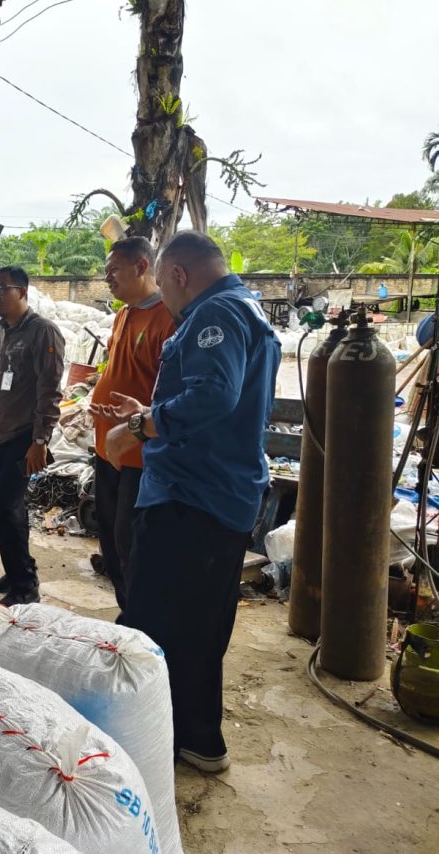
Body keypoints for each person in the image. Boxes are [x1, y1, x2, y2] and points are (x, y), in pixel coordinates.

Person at [96, 231, 280, 774]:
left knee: (154, 621)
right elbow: (217, 398)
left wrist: (139, 426)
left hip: (191, 497)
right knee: (200, 621)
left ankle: (155, 739)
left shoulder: (213, 313)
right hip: (220, 493)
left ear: (177, 274)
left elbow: (214, 395)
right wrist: (150, 410)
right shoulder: (246, 308)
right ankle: (196, 737)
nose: (166, 297)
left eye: (165, 282)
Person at [88, 237, 175, 610]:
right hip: (107, 446)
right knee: (109, 538)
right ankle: (128, 613)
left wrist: (139, 417)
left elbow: (172, 395)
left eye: (114, 270)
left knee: (130, 543)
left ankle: (142, 619)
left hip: (140, 453)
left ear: (141, 267)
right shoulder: (124, 314)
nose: (107, 278)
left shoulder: (168, 318)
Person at [0, 266, 65, 607]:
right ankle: (15, 570)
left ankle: (25, 586)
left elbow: (50, 390)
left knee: (8, 507)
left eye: (2, 289)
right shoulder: (4, 329)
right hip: (0, 434)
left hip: (23, 436)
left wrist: (40, 441)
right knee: (6, 508)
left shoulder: (42, 331)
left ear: (22, 292)